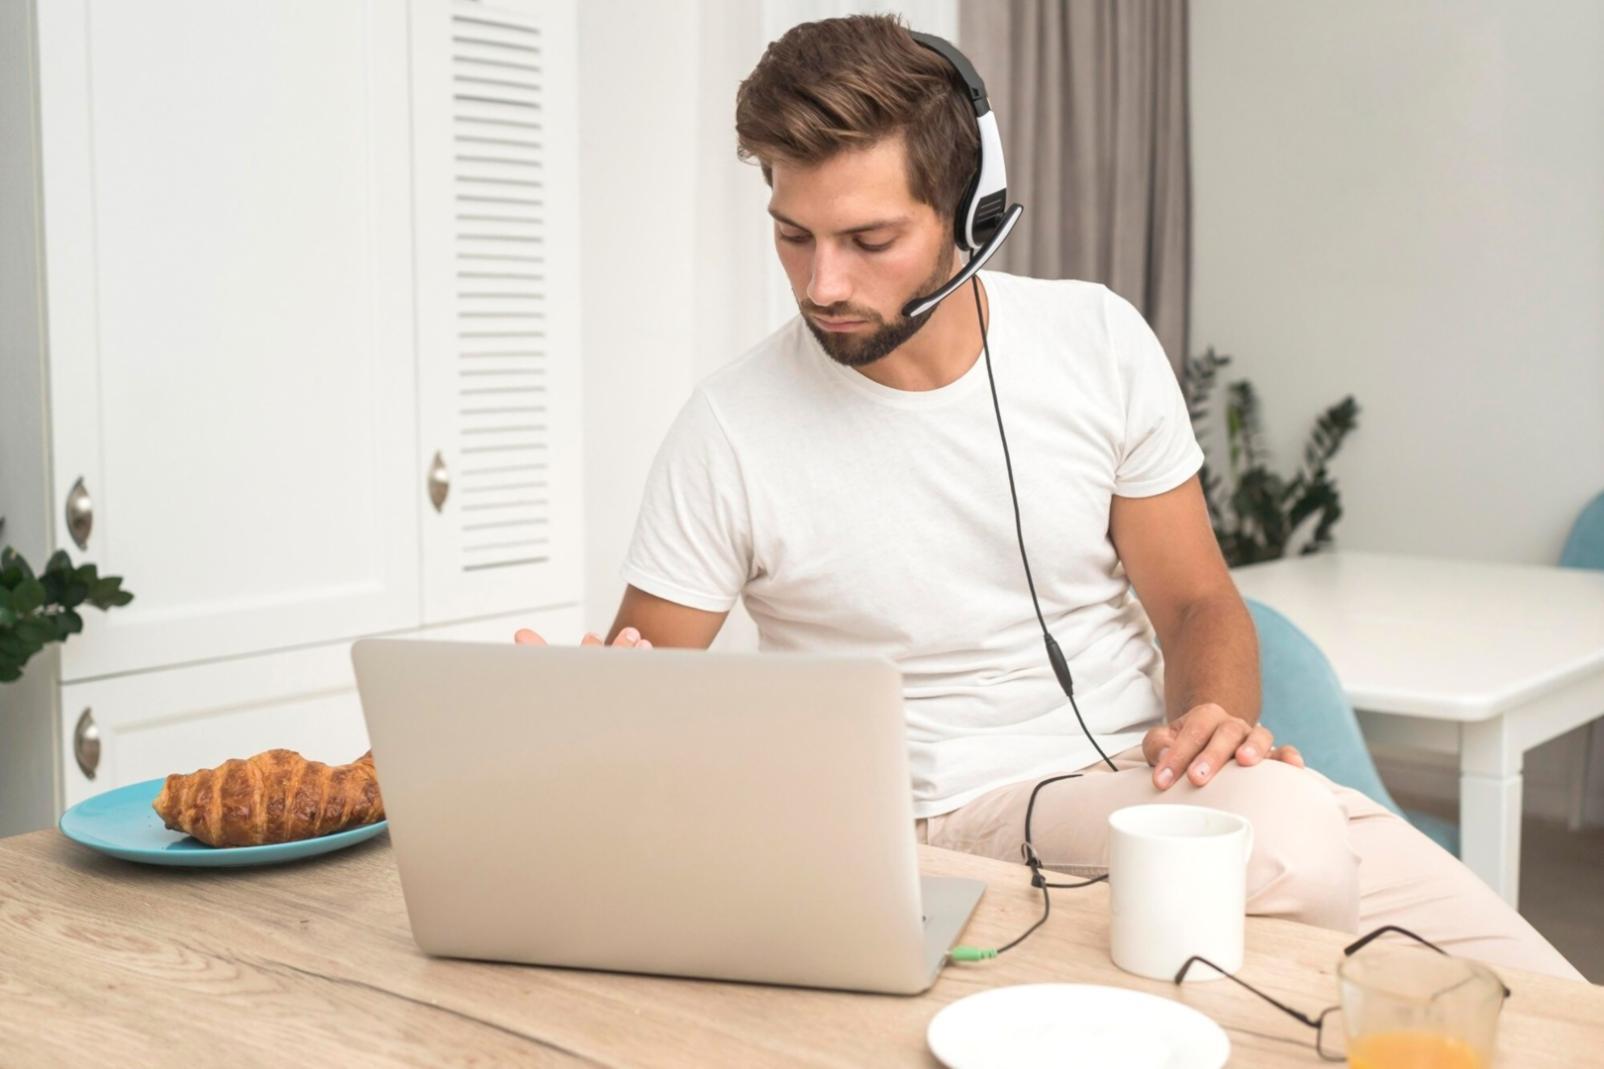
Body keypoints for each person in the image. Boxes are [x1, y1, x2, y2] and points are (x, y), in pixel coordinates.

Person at [515, 14, 1583, 981]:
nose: (821, 284)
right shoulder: (728, 429)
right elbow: (646, 696)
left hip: (1141, 776)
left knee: (1550, 1000)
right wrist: (586, 714)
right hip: (932, 815)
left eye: (868, 240)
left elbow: (1197, 605)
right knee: (1291, 841)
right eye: (793, 234)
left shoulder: (1095, 339)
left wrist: (1212, 723)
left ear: (971, 215)